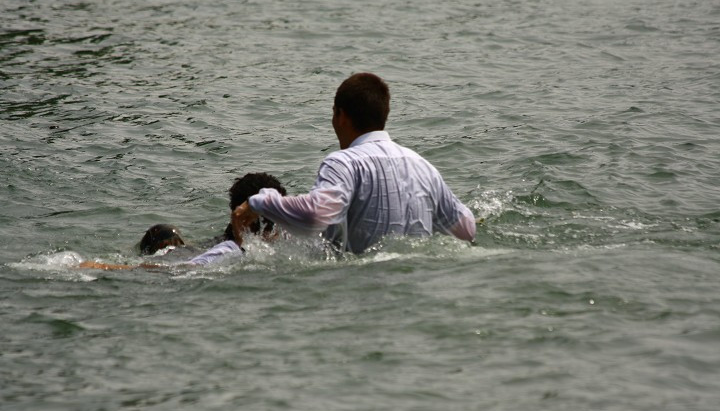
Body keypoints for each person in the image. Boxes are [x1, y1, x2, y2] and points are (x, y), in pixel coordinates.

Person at [231, 72, 476, 254]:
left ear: (340, 116)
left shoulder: (343, 163)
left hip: (362, 288)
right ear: (384, 114)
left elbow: (316, 217)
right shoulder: (423, 166)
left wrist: (259, 203)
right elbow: (466, 230)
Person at [78, 173, 287, 270]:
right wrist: (100, 266)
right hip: (175, 260)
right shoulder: (224, 252)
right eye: (276, 219)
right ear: (249, 220)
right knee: (164, 235)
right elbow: (167, 269)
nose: (280, 227)